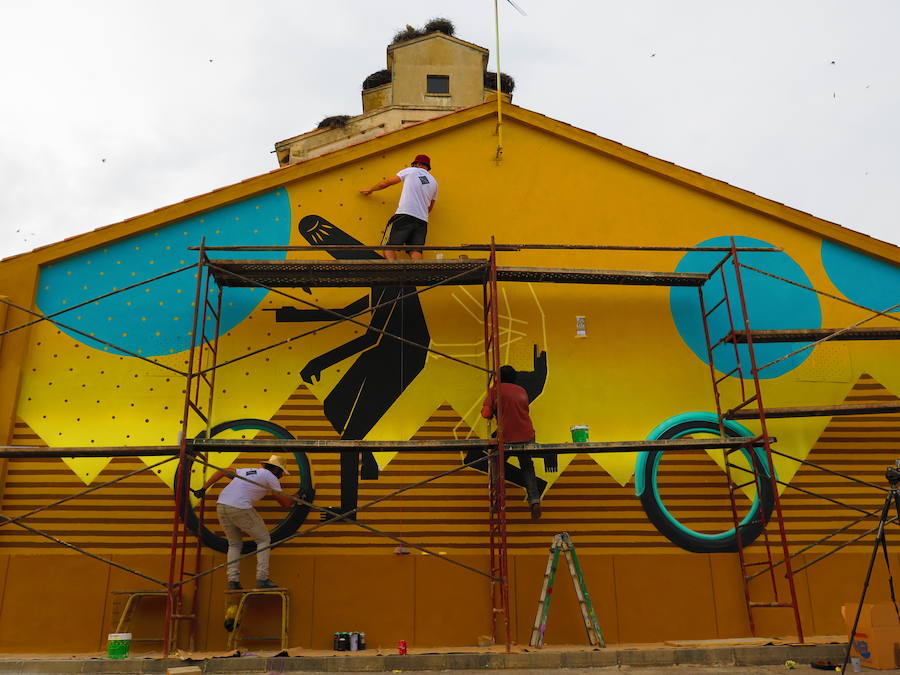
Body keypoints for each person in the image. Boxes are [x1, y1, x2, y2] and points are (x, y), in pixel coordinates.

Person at [194, 454, 294, 590]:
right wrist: (296, 500)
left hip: (222, 505)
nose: (281, 476)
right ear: (276, 470)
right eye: (281, 472)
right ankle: (262, 579)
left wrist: (203, 489)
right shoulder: (270, 476)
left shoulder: (247, 471)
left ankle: (233, 581)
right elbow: (284, 503)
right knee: (264, 540)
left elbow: (223, 470)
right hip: (239, 506)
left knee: (234, 544)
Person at [481, 365, 544, 519]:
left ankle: (497, 500)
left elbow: (486, 414)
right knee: (527, 466)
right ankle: (534, 500)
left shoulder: (495, 390)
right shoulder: (521, 390)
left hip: (507, 437)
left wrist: (489, 406)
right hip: (527, 435)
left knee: (496, 463)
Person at [359, 154, 437, 260]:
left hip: (405, 214)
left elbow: (387, 182)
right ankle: (417, 275)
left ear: (417, 164)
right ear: (427, 167)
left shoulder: (411, 171)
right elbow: (430, 208)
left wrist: (371, 189)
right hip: (422, 220)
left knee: (389, 246)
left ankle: (395, 273)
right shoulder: (434, 182)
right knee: (415, 251)